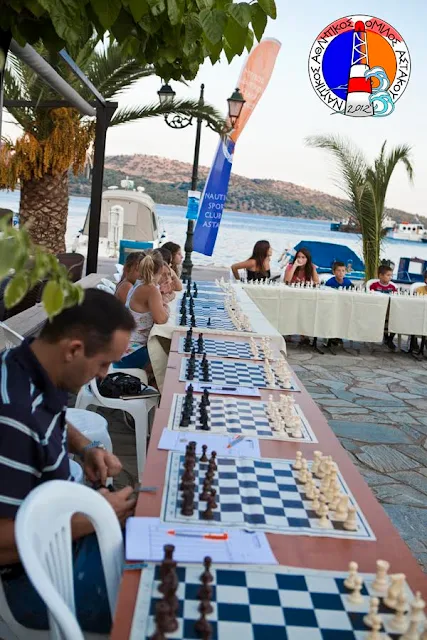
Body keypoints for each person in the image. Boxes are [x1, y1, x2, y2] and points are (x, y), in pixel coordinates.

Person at [0, 288, 137, 633]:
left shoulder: (24, 364)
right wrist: (94, 517)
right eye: (103, 363)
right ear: (74, 350)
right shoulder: (12, 417)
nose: (105, 374)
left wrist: (85, 447)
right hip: (35, 581)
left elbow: (51, 414)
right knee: (168, 595)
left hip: (64, 533)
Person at [113, 250, 169, 370]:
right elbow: (161, 319)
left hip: (123, 348)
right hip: (131, 353)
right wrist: (166, 309)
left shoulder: (139, 284)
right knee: (169, 360)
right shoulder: (151, 289)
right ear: (161, 270)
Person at [369, 265, 398, 350]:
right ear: (380, 275)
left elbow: (396, 299)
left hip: (390, 310)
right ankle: (386, 337)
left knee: (397, 319)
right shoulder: (374, 286)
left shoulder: (392, 287)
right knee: (383, 320)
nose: (390, 277)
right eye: (388, 275)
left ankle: (390, 339)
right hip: (377, 310)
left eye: (391, 275)